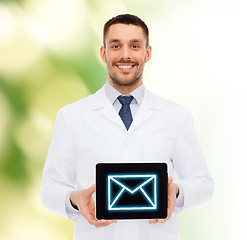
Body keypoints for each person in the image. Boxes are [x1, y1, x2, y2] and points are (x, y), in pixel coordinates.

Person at [41, 14, 214, 240]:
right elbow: (50, 189)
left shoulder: (176, 116)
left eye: (134, 46)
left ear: (147, 53)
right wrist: (75, 199)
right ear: (104, 53)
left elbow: (204, 184)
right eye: (115, 46)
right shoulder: (72, 116)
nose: (125, 55)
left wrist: (176, 192)